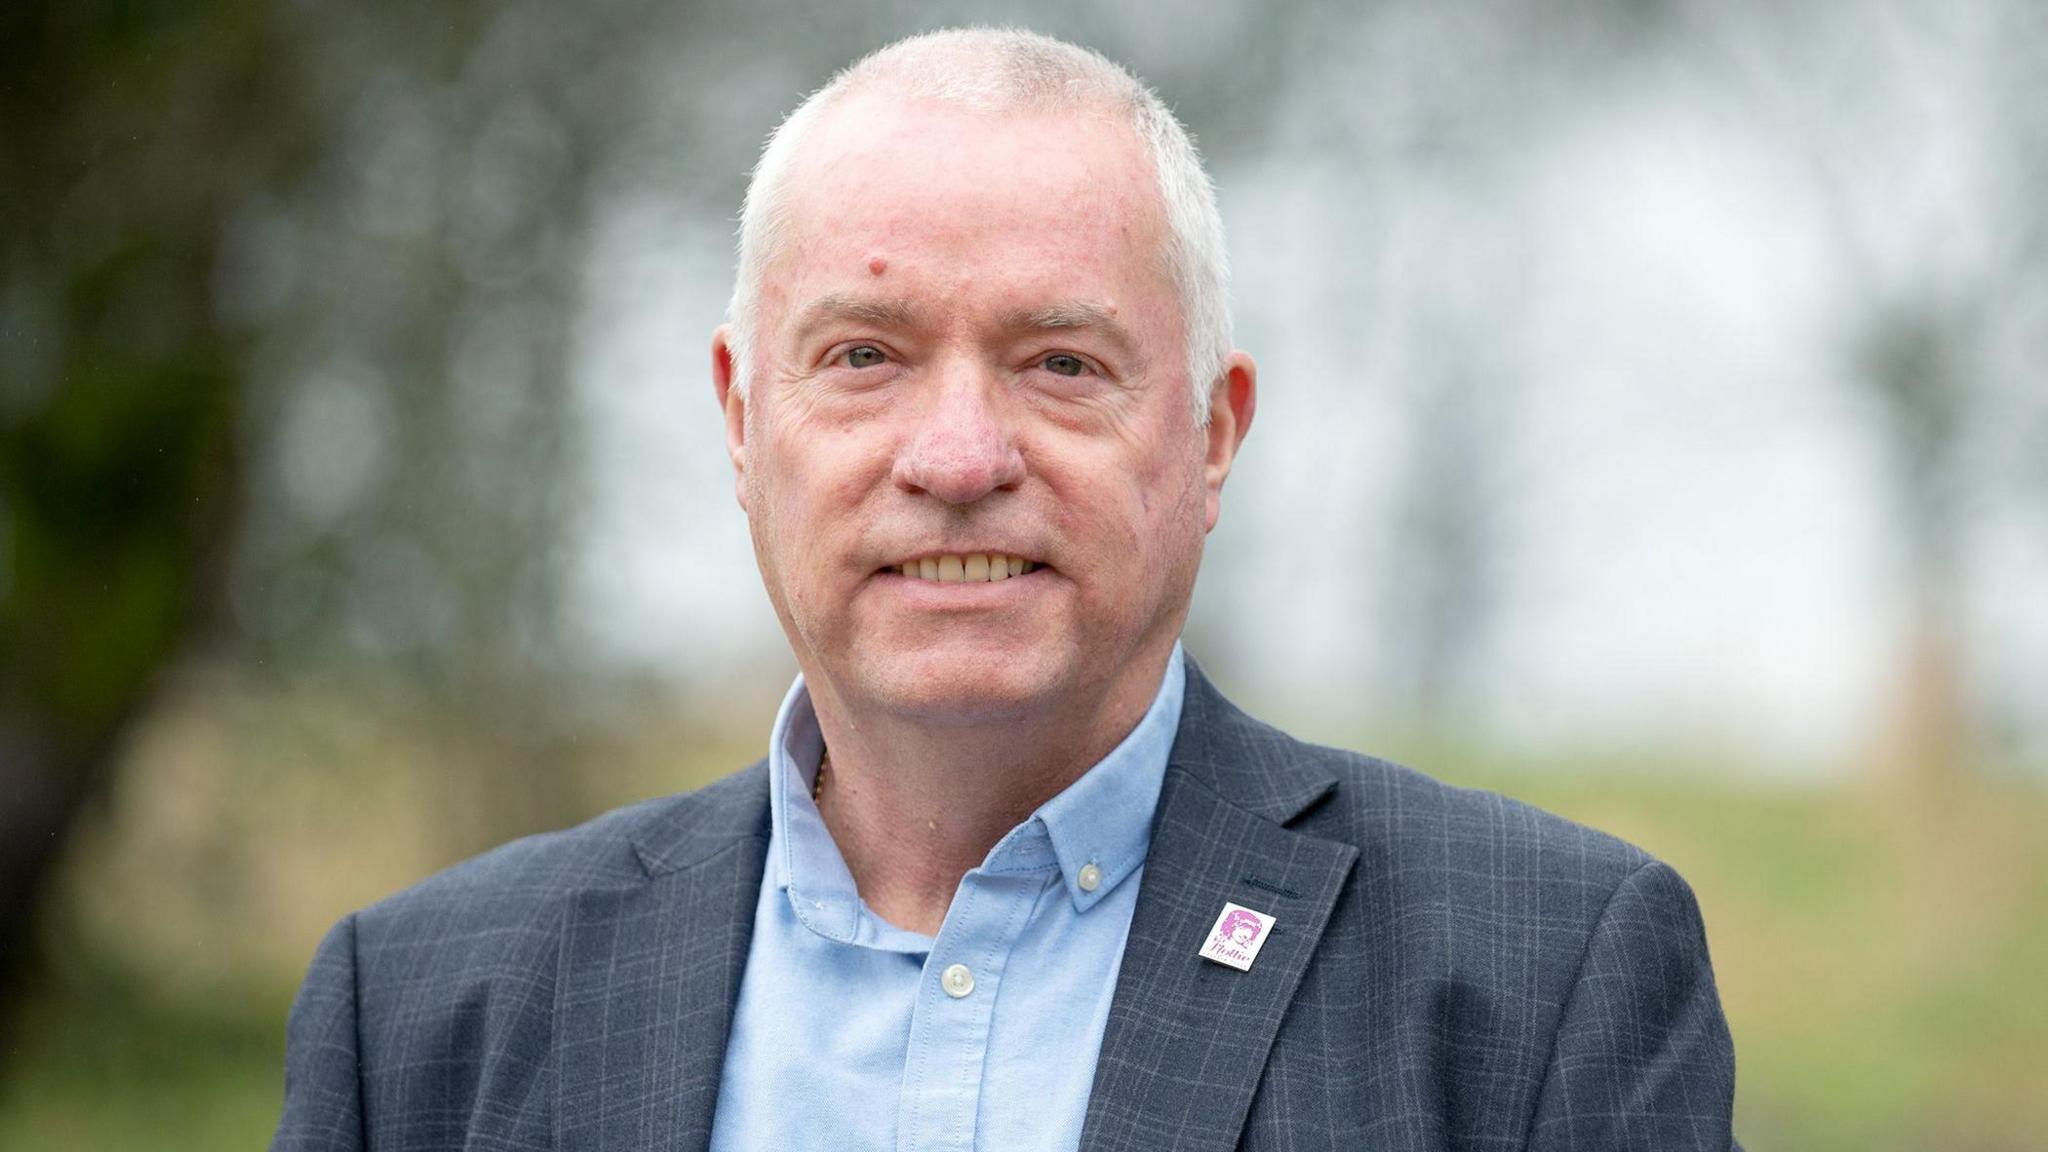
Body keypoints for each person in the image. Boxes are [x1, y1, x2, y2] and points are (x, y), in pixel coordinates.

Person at [272, 27, 1740, 1152]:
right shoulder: (414, 1016)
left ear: (1213, 435)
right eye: (864, 356)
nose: (959, 457)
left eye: (1061, 363)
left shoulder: (1542, 983)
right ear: (739, 421)